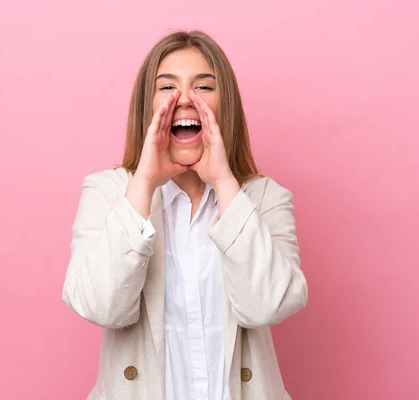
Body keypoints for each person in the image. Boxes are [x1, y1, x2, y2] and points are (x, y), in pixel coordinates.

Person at [62, 30, 308, 400]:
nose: (185, 98)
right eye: (167, 86)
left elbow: (266, 306)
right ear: (148, 104)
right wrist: (143, 182)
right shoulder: (107, 192)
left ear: (226, 104)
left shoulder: (264, 197)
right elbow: (101, 306)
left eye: (204, 87)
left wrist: (225, 182)